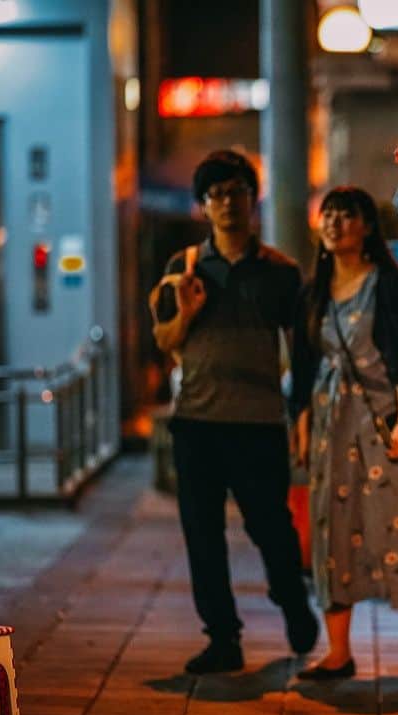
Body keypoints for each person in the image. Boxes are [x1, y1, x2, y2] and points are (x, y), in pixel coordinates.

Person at [149, 150, 318, 674]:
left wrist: (303, 416)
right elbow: (165, 339)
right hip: (196, 423)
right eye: (216, 195)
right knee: (203, 536)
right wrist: (190, 312)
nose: (227, 203)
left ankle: (291, 600)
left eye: (236, 192)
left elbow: (303, 350)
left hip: (259, 423)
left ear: (252, 198)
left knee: (272, 527)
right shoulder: (184, 268)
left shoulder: (282, 272)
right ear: (203, 206)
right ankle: (223, 638)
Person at [290, 187, 398, 680]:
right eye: (328, 214)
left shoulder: (386, 285)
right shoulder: (313, 291)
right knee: (332, 531)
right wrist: (302, 428)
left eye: (347, 215)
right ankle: (338, 652)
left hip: (384, 423)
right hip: (331, 424)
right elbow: (303, 368)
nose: (335, 223)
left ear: (366, 226)